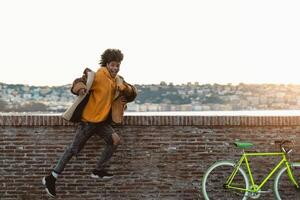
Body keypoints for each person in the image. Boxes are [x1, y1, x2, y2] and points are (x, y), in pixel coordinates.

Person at [42, 49, 137, 197]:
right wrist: (80, 89)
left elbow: (132, 93)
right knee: (74, 150)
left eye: (118, 65)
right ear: (107, 64)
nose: (115, 68)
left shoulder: (117, 80)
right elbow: (78, 82)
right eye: (113, 65)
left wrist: (125, 88)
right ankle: (51, 178)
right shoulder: (98, 76)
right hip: (88, 121)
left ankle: (98, 170)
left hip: (101, 122)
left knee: (115, 140)